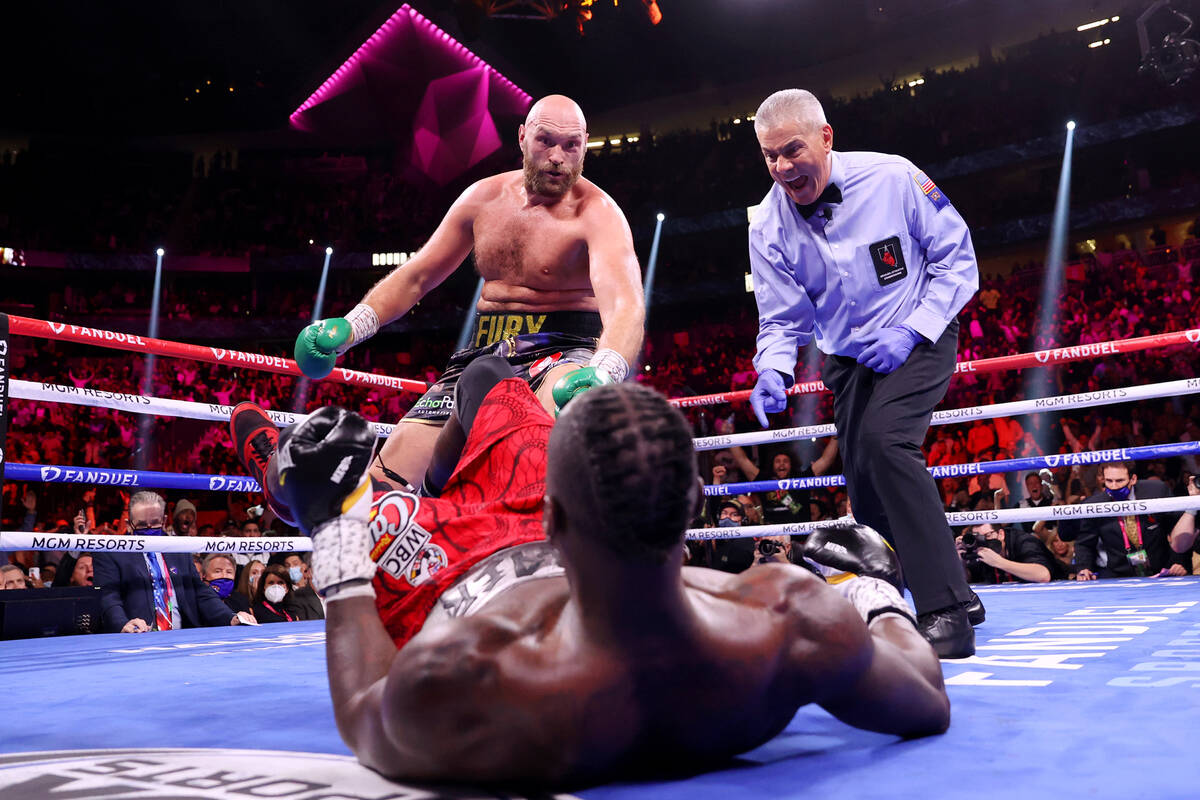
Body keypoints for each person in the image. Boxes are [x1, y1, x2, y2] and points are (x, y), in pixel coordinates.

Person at [245, 358, 949, 785]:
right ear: (693, 510)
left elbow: (363, 708)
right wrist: (876, 592)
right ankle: (435, 476)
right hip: (551, 509)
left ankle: (281, 477)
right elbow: (924, 697)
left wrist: (331, 528)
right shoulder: (792, 619)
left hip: (450, 577)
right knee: (490, 380)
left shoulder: (474, 675)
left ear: (556, 516)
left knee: (338, 488)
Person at [288, 94, 645, 492]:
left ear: (584, 145)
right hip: (481, 351)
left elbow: (626, 304)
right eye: (546, 140)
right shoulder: (483, 198)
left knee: (541, 452)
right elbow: (418, 275)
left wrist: (604, 370)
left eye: (571, 145)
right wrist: (352, 325)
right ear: (523, 137)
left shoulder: (599, 213)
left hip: (562, 348)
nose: (558, 156)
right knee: (384, 490)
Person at [745, 88, 981, 658]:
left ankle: (947, 611)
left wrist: (909, 331)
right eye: (769, 156)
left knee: (886, 444)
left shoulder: (894, 178)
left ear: (826, 138)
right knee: (865, 481)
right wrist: (772, 369)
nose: (781, 167)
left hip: (920, 328)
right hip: (849, 357)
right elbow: (781, 317)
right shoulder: (767, 225)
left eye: (792, 150)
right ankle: (926, 597)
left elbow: (958, 256)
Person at [92, 491, 255, 633]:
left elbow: (200, 591)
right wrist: (122, 624)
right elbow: (108, 595)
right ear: (129, 525)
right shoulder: (112, 553)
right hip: (139, 636)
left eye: (155, 522)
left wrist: (230, 617)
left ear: (164, 520)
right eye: (142, 524)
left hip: (183, 635)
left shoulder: (178, 548)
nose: (149, 528)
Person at [1059, 461, 1186, 579]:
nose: (1114, 487)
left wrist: (1179, 562)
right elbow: (1084, 542)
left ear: (1133, 479)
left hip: (1164, 570)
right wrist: (1084, 568)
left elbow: (1181, 527)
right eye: (1109, 481)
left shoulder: (1156, 491)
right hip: (1119, 575)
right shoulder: (1095, 504)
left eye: (1119, 481)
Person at [955, 523, 1062, 584]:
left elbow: (1043, 575)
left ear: (1001, 534)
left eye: (987, 536)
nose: (983, 541)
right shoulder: (977, 547)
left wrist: (998, 562)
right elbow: (968, 580)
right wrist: (960, 562)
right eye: (978, 537)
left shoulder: (1024, 541)